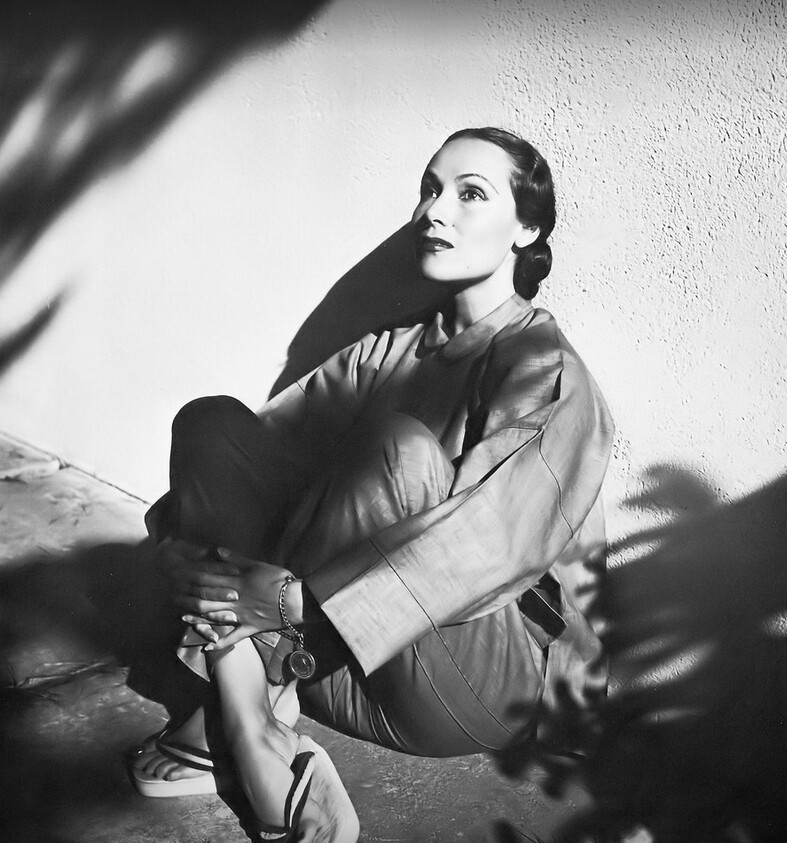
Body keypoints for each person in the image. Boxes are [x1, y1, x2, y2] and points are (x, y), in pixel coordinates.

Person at [130, 127, 614, 841]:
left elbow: (492, 543)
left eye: (470, 194)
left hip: (473, 687)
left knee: (397, 448)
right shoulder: (392, 348)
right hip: (340, 666)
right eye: (429, 189)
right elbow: (254, 470)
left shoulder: (543, 364)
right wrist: (182, 543)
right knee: (211, 424)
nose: (434, 211)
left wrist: (285, 599)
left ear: (527, 229)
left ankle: (233, 705)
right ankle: (249, 711)